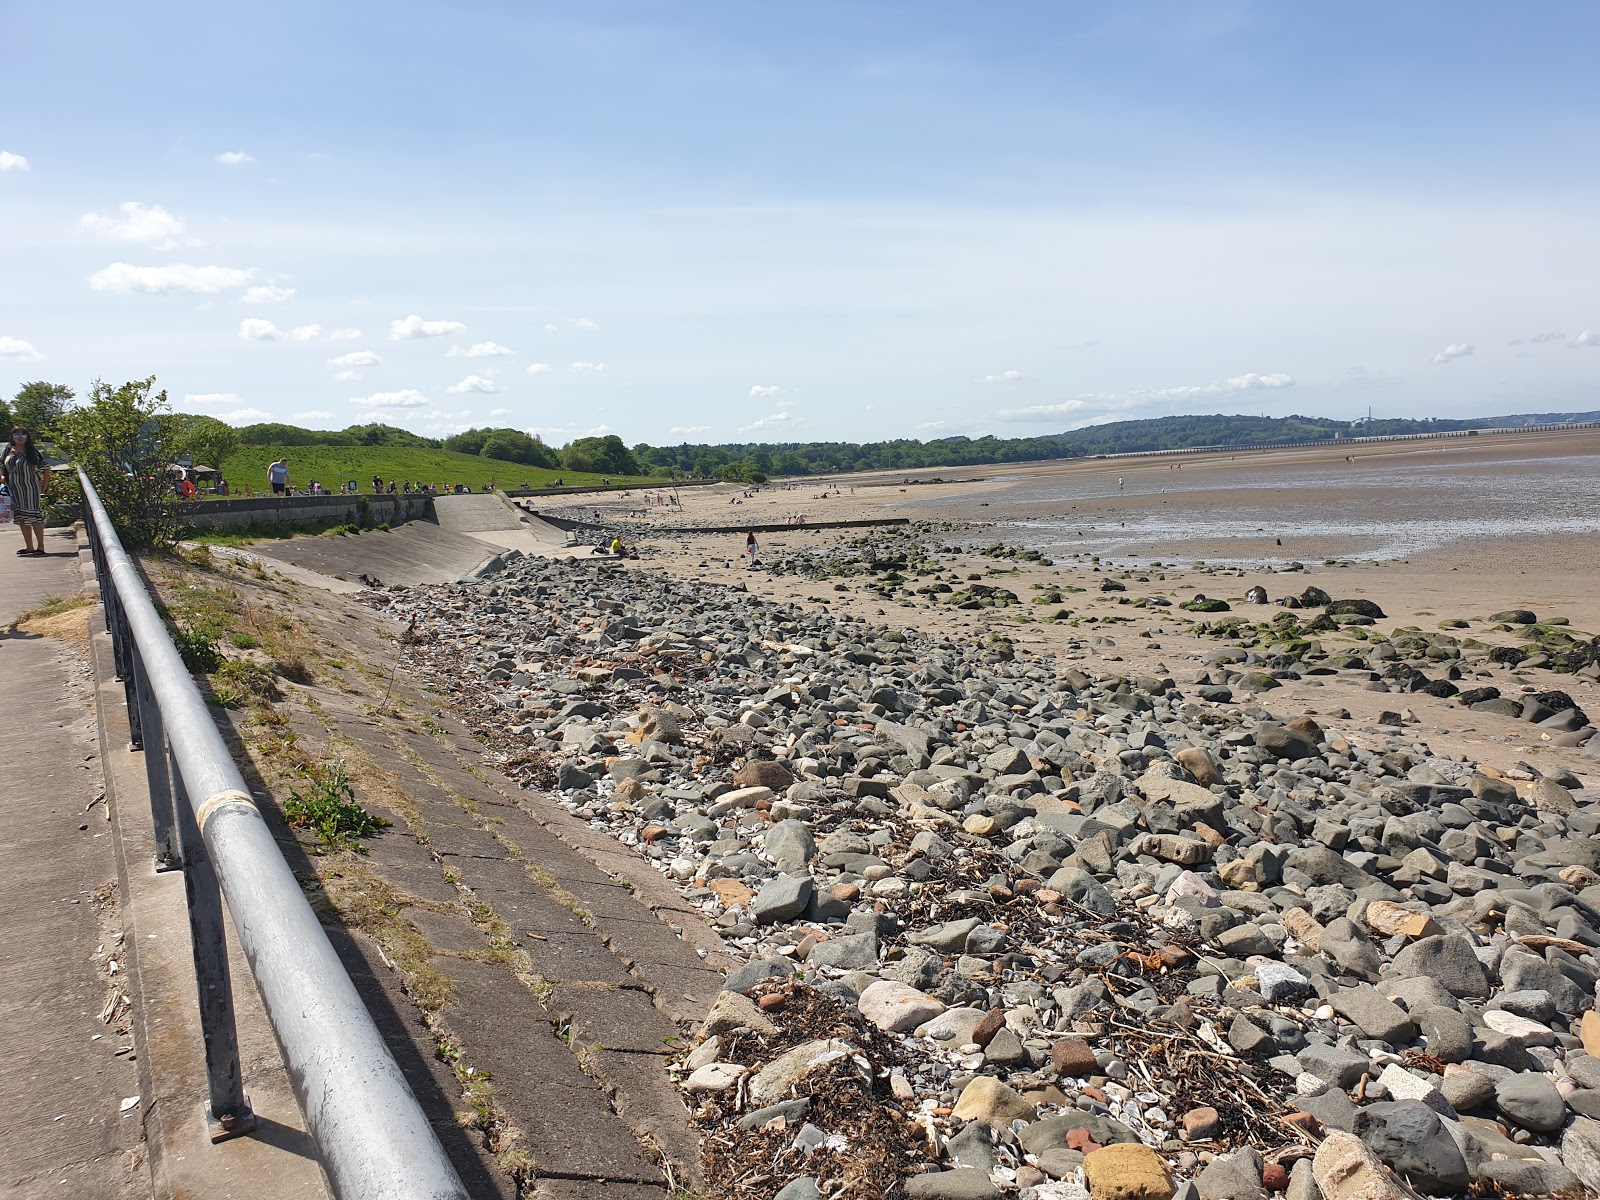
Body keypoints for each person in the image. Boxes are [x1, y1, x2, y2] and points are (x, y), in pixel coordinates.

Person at [1, 427, 51, 555]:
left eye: (23, 434)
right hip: (14, 489)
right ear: (12, 437)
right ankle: (29, 546)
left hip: (30, 488)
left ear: (27, 438)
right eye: (16, 434)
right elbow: (1, 465)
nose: (20, 437)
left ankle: (41, 547)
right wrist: (2, 477)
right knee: (21, 517)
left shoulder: (31, 452)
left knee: (34, 517)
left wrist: (44, 486)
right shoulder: (7, 451)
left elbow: (45, 467)